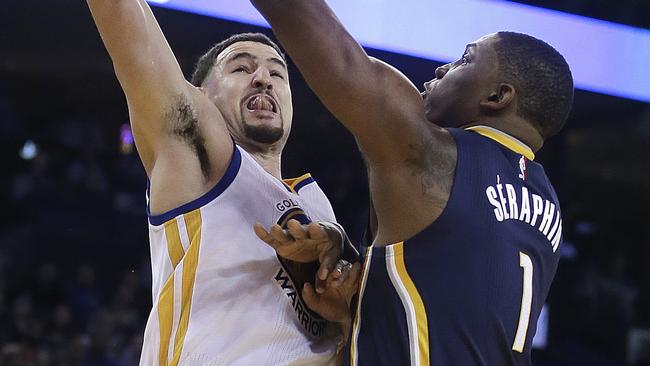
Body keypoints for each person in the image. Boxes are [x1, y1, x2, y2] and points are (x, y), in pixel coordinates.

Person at [250, 1, 574, 365]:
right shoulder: (547, 203)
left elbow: (327, 44)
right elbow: (451, 308)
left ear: (497, 97)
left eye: (465, 60)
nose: (442, 67)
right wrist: (351, 293)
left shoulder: (435, 158)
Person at [86, 0, 354, 364]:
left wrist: (343, 314)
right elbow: (128, 28)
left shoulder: (322, 212)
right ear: (202, 94)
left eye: (278, 74)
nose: (263, 78)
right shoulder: (196, 157)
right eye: (241, 67)